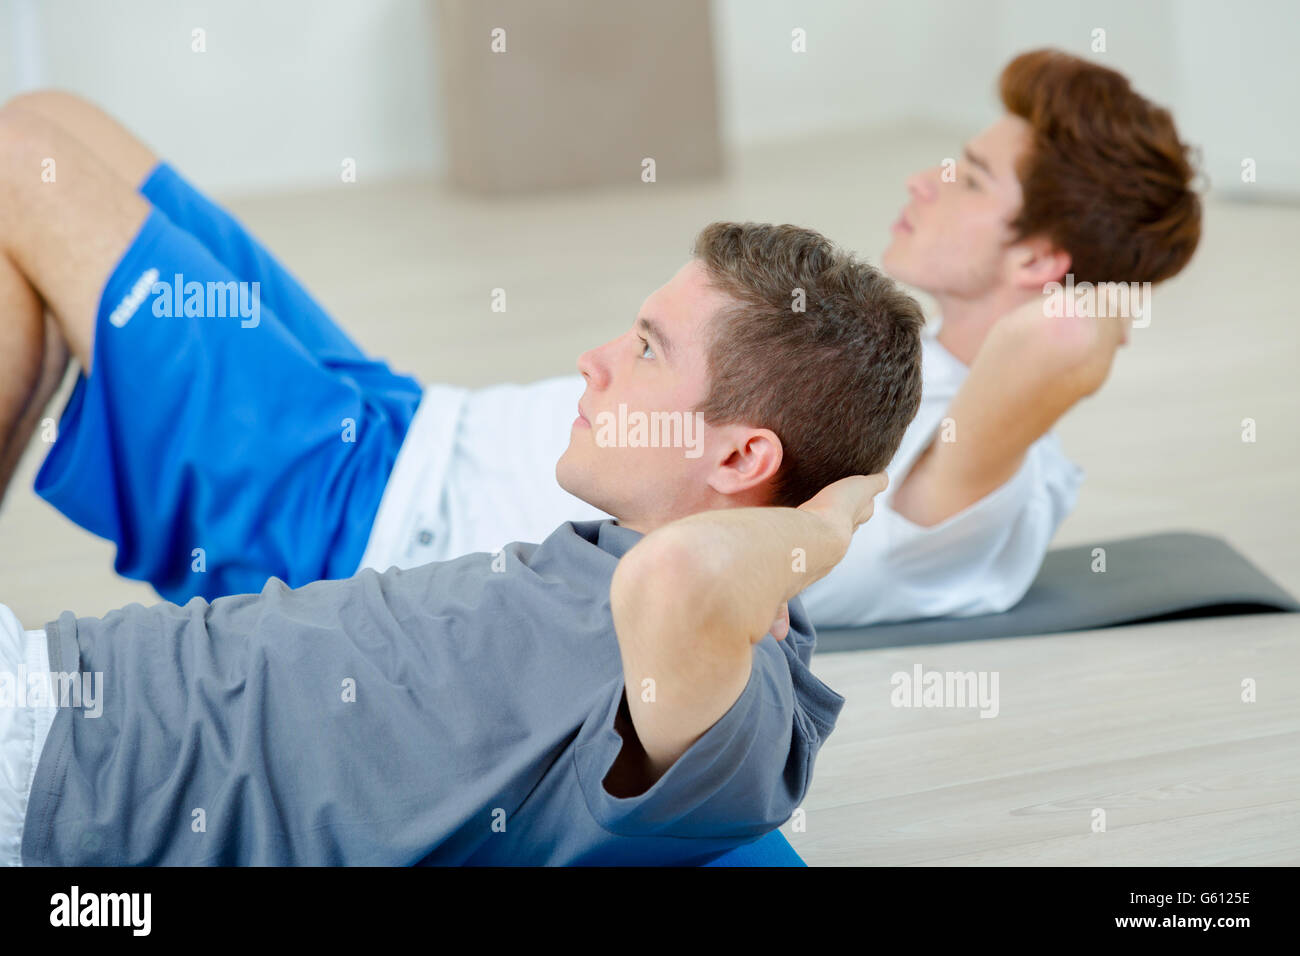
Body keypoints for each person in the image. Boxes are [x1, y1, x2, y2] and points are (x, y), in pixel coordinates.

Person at [0, 47, 1201, 629]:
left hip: (348, 515)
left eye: (974, 176)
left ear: (1044, 264)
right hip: (399, 417)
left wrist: (1108, 268)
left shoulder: (957, 481)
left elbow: (1062, 351)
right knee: (55, 119)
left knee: (19, 165)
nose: (926, 179)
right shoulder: (906, 372)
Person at [0, 221, 923, 865]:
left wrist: (820, 528)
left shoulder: (744, 697)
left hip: (58, 769)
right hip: (55, 674)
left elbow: (679, 577)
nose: (593, 360)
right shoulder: (608, 561)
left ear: (740, 455)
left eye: (647, 348)